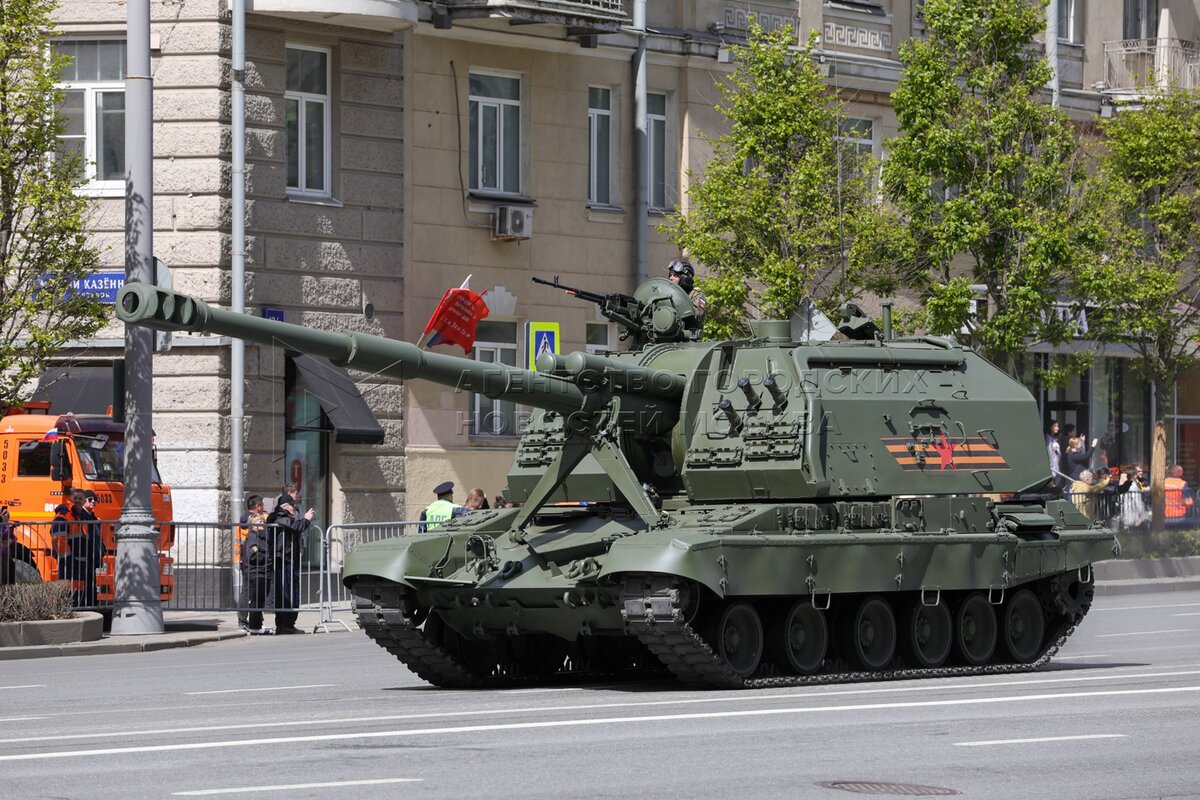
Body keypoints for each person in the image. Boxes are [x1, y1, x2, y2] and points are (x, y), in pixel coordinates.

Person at [267, 485, 313, 634]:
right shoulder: (281, 517)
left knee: (290, 591)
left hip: (287, 558)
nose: (294, 509)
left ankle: (287, 624)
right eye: (293, 506)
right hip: (283, 559)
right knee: (286, 592)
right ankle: (285, 624)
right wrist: (306, 519)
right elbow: (296, 526)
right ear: (286, 506)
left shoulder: (283, 517)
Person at [237, 495, 269, 632]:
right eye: (262, 505)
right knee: (251, 593)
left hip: (245, 559)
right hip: (252, 560)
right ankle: (249, 622)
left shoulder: (243, 519)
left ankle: (249, 622)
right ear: (258, 507)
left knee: (250, 592)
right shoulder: (255, 520)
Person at [1046, 420, 1063, 492]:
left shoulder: (1056, 438)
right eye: (1055, 426)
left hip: (1056, 463)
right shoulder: (1047, 439)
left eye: (1058, 426)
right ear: (1050, 427)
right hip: (1051, 464)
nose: (1057, 428)